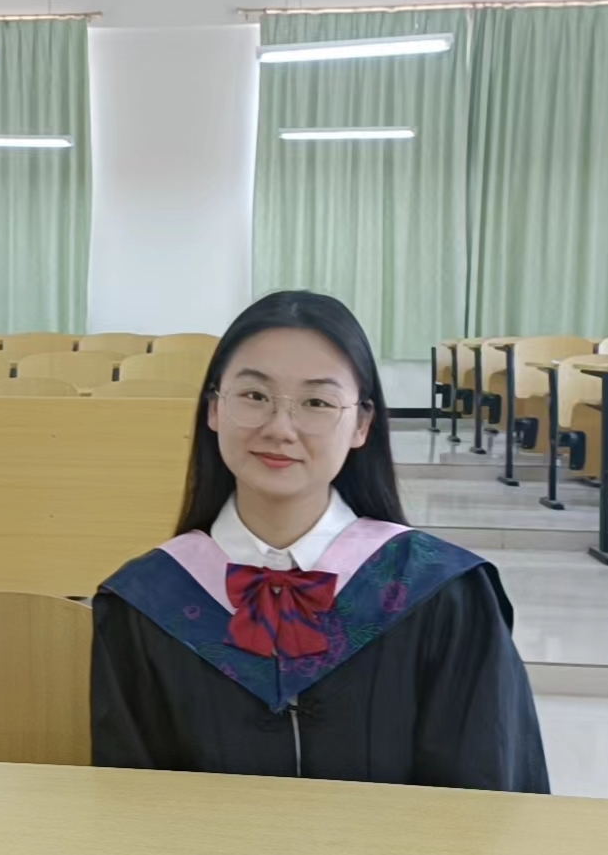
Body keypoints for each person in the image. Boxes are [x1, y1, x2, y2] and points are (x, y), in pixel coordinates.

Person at [91, 290, 550, 792]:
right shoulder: (146, 600)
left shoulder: (441, 594)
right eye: (254, 396)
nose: (280, 428)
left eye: (316, 402)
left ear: (362, 424)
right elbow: (130, 803)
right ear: (214, 410)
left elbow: (487, 800)